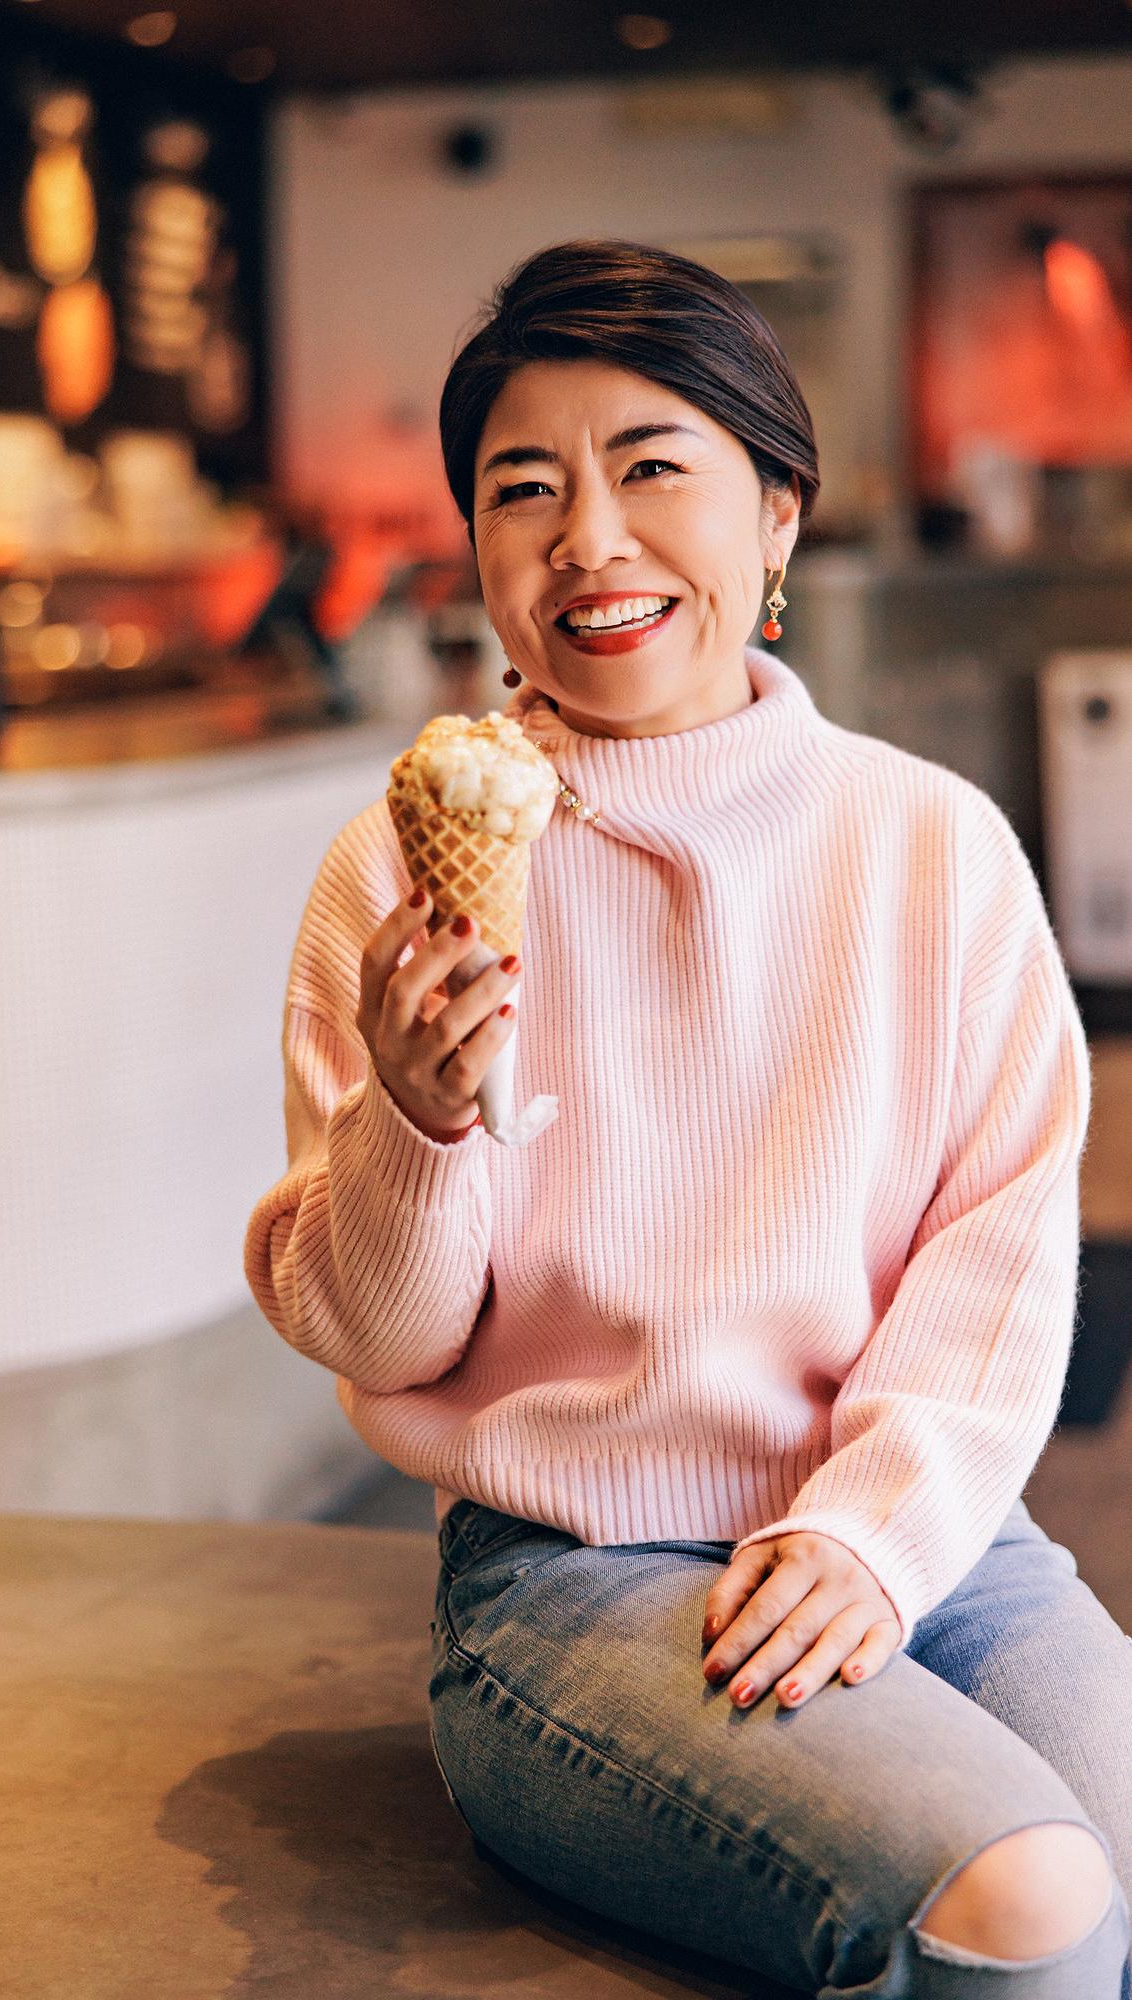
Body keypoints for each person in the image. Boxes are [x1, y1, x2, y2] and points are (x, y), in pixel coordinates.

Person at [244, 240, 1131, 1998]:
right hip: (573, 1581)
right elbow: (371, 1338)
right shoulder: (394, 870)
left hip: (926, 1530)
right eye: (523, 490)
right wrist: (413, 1130)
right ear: (478, 552)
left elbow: (1004, 1236)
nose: (587, 539)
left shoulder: (928, 843)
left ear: (779, 512)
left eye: (651, 467)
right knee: (1021, 1912)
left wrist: (875, 1534)